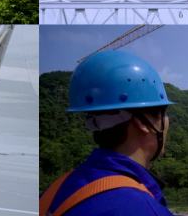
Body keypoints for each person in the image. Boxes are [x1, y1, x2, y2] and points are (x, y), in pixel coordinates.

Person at [40, 50, 175, 216]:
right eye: (164, 113)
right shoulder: (143, 208)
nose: (168, 121)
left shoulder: (57, 189)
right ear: (143, 123)